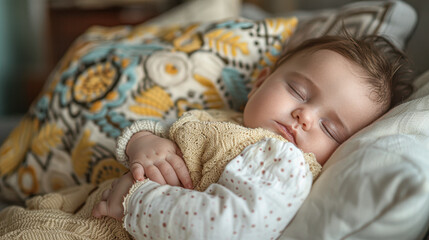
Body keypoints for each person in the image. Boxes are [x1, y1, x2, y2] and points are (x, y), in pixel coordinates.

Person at [91, 33, 413, 240]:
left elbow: (225, 229)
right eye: (297, 91)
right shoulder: (226, 120)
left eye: (330, 129)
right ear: (260, 82)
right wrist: (143, 142)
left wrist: (133, 201)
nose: (306, 116)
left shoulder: (285, 164)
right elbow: (164, 134)